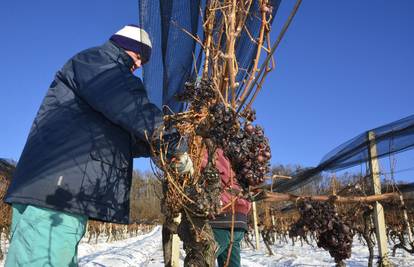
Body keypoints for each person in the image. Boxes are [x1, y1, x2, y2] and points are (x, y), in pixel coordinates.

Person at [4, 24, 191, 267]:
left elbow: (118, 140)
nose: (139, 65)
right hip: (55, 196)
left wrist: (155, 149)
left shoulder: (98, 77)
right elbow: (131, 107)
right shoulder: (100, 64)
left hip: (60, 195)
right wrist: (173, 142)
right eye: (138, 57)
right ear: (126, 47)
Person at [204, 149, 252, 267]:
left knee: (201, 260)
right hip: (240, 221)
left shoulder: (207, 149)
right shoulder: (239, 148)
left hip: (220, 221)